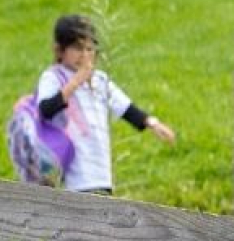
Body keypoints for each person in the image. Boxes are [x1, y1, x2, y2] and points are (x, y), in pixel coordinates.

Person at [36, 14, 176, 194]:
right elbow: (44, 110)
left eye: (90, 49)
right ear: (60, 50)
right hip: (71, 175)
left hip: (100, 172)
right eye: (78, 48)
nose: (85, 56)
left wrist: (153, 123)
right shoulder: (54, 77)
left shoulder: (100, 81)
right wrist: (76, 82)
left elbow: (125, 108)